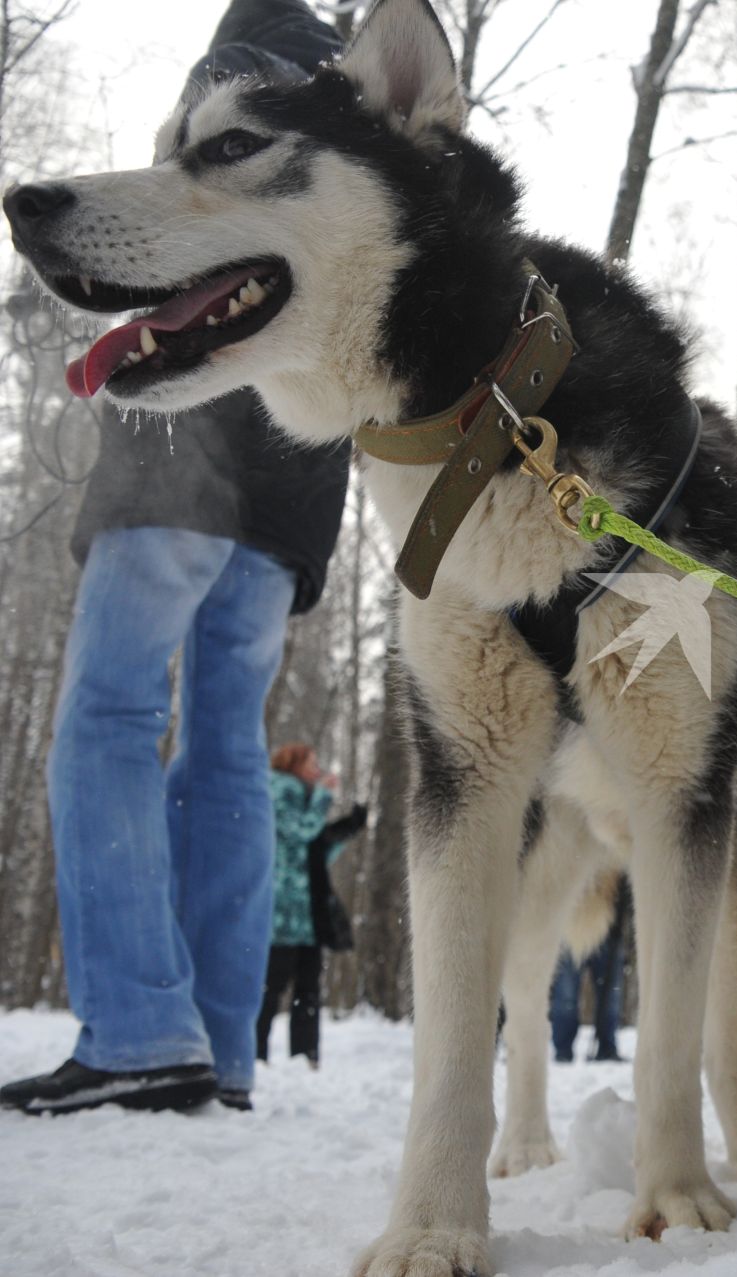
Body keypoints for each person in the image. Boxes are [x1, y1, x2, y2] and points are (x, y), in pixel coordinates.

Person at [0, 2, 350, 1119]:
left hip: (184, 458)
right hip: (296, 470)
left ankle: (144, 1030)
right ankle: (216, 1049)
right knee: (228, 752)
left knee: (105, 716)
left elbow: (166, 241)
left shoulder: (236, 66)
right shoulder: (339, 94)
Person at [256, 744, 366, 1073]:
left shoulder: (303, 795)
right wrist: (322, 796)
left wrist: (348, 828)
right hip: (281, 911)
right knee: (271, 985)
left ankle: (305, 1056)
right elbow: (300, 831)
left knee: (308, 988)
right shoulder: (280, 789)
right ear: (292, 763)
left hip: (307, 914)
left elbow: (315, 853)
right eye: (311, 763)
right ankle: (255, 1052)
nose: (317, 770)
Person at [550, 880, 630, 1063]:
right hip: (569, 929)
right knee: (565, 998)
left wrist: (618, 923)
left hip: (607, 930)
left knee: (610, 997)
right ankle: (563, 1050)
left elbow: (623, 887)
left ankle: (607, 1048)